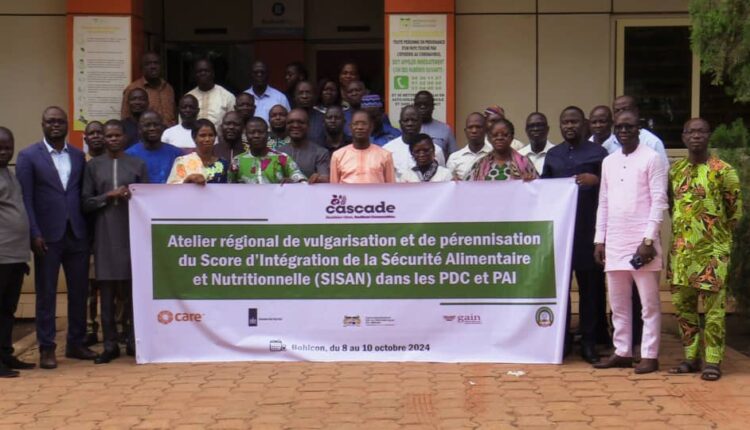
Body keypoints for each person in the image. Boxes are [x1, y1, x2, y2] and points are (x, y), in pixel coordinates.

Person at [15, 107, 97, 369]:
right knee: (47, 293)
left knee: (79, 292)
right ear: (42, 124)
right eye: (50, 121)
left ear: (67, 124)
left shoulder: (78, 155)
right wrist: (34, 233)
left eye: (60, 121)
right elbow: (25, 199)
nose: (55, 125)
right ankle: (47, 348)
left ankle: (76, 343)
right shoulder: (28, 156)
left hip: (77, 234)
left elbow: (81, 194)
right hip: (47, 237)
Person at [593, 110, 668, 374]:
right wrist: (599, 239)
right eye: (620, 127)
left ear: (639, 129)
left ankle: (650, 354)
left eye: (629, 127)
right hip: (615, 240)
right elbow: (603, 201)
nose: (624, 131)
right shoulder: (609, 161)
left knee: (649, 304)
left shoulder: (651, 158)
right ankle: (622, 351)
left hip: (642, 243)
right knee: (618, 304)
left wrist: (648, 240)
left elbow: (659, 201)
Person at [668, 118, 742, 381]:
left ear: (709, 135)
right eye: (691, 132)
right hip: (681, 253)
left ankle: (712, 361)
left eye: (701, 131)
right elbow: (673, 208)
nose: (696, 136)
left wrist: (718, 241)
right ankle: (690, 358)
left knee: (713, 311)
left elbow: (734, 213)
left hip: (713, 253)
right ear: (683, 137)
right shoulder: (676, 171)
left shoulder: (724, 171)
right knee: (683, 308)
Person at [542, 106, 610, 364]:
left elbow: (612, 188)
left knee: (590, 291)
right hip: (560, 234)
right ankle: (563, 340)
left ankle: (590, 342)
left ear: (584, 124)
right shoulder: (553, 155)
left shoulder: (598, 153)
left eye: (574, 122)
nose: (569, 126)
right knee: (560, 291)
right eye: (565, 122)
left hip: (588, 232)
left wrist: (596, 181)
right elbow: (544, 190)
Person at [82, 120, 149, 364]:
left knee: (132, 291)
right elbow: (85, 202)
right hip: (104, 235)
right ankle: (109, 344)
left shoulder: (137, 164)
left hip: (131, 234)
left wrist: (134, 195)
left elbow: (148, 199)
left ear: (124, 137)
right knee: (107, 292)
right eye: (108, 136)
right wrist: (107, 196)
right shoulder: (93, 166)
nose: (112, 139)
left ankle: (132, 340)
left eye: (116, 135)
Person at [0, 127, 35, 377]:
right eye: (0, 147)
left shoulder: (9, 174)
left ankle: (6, 354)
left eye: (8, 147)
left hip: (15, 254)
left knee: (8, 309)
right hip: (1, 254)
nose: (4, 152)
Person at [82, 121, 105, 347]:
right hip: (86, 232)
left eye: (100, 133)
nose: (97, 136)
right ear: (85, 138)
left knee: (114, 286)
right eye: (92, 133)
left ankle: (116, 328)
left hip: (109, 231)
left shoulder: (112, 162)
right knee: (90, 285)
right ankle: (90, 328)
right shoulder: (79, 163)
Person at [229, 118, 306, 184]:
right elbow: (228, 188)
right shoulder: (237, 161)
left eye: (261, 132)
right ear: (246, 136)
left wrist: (292, 182)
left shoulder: (282, 157)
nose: (256, 136)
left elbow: (302, 181)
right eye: (252, 132)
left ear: (267, 135)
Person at [595, 96, 668, 165]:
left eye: (625, 109)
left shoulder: (652, 142)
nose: (621, 113)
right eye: (617, 111)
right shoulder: (608, 144)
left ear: (636, 111)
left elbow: (662, 171)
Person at [330, 110, 396, 184]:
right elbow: (334, 188)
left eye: (364, 124)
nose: (360, 127)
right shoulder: (338, 156)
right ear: (350, 127)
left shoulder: (385, 155)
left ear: (371, 127)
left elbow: (391, 187)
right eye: (356, 124)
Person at [384, 105, 446, 179]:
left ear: (421, 122)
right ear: (400, 123)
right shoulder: (387, 150)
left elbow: (442, 177)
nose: (410, 124)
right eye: (406, 120)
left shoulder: (436, 150)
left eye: (414, 120)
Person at [467, 119, 538, 181]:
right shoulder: (479, 165)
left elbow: (538, 187)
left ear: (512, 137)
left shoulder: (525, 163)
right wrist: (459, 183)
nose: (500, 138)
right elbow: (467, 187)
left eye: (505, 135)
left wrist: (531, 180)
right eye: (495, 135)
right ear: (489, 138)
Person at [125, 111, 182, 184]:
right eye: (147, 125)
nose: (152, 128)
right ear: (139, 129)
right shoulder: (129, 155)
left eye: (156, 125)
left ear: (162, 127)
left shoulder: (177, 154)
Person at [121, 51, 176, 127]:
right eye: (148, 64)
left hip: (169, 132)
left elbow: (173, 114)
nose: (153, 67)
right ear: (142, 68)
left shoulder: (168, 88)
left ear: (161, 66)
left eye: (156, 63)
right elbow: (125, 118)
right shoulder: (133, 89)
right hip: (147, 133)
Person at [168, 119, 228, 184]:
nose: (207, 139)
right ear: (194, 138)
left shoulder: (223, 164)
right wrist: (188, 180)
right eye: (202, 135)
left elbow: (228, 188)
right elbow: (172, 188)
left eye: (211, 135)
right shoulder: (182, 162)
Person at [278, 109, 330, 183]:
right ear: (286, 126)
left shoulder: (321, 153)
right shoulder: (278, 153)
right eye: (290, 122)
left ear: (308, 126)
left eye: (301, 122)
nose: (295, 125)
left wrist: (318, 179)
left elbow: (324, 179)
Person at [187, 58, 236, 126]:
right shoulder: (188, 97)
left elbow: (233, 122)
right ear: (194, 75)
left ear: (213, 73)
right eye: (199, 71)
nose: (203, 73)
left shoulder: (227, 96)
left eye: (206, 71)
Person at [447, 113, 492, 180]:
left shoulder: (494, 154)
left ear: (485, 130)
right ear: (465, 131)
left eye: (478, 127)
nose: (474, 131)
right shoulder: (454, 158)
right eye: (470, 127)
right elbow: (448, 182)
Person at [415, 91, 458, 156]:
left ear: (433, 106)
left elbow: (454, 156)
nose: (422, 107)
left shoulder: (445, 129)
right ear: (414, 107)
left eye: (426, 104)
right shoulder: (408, 129)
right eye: (419, 105)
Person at [292, 81, 325, 146]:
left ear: (315, 96)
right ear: (295, 97)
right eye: (301, 93)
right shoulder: (289, 119)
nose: (304, 96)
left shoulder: (323, 118)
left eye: (308, 93)